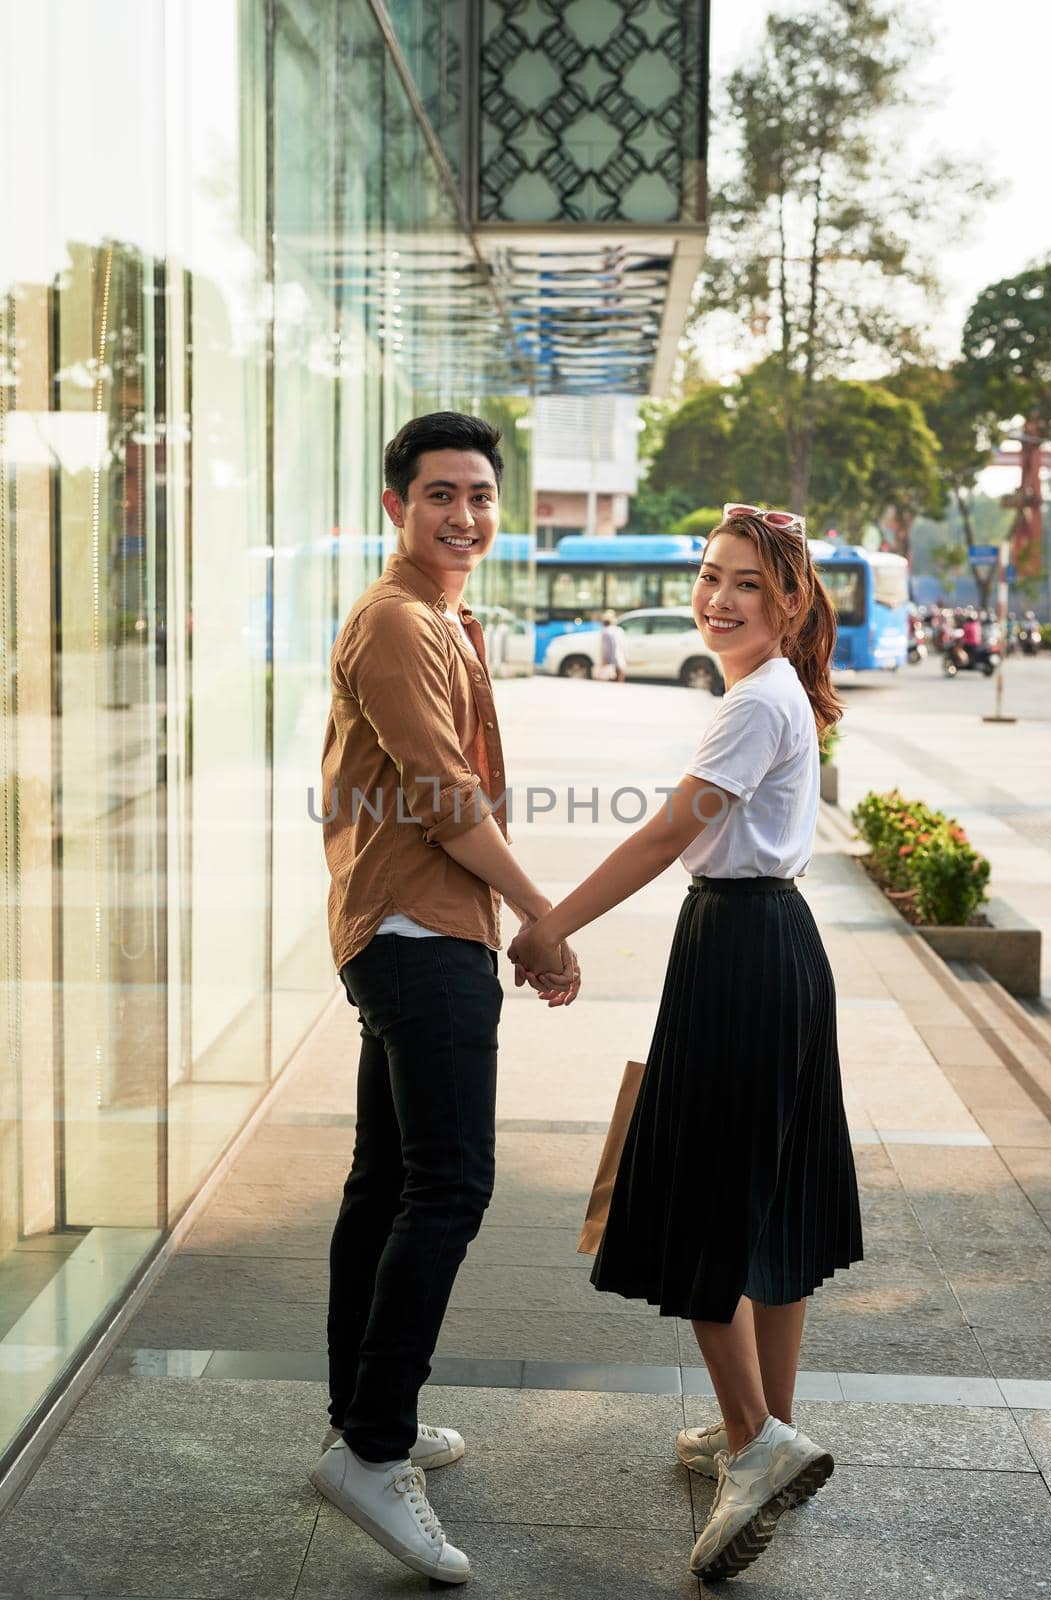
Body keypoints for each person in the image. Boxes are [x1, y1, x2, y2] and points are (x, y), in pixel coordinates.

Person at [510, 503, 863, 1583]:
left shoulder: (755, 703)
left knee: (699, 1196)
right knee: (775, 1197)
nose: (718, 597)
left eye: (746, 582)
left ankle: (756, 1443)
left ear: (790, 600)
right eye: (711, 576)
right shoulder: (775, 694)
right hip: (774, 943)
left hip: (740, 949)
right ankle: (766, 1426)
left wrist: (551, 922)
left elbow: (670, 834)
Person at [313, 411, 579, 1587]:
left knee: (387, 1180)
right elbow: (443, 796)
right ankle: (373, 1449)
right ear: (395, 507)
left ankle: (363, 1413)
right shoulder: (395, 622)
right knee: (451, 1184)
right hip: (420, 935)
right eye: (439, 495)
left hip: (421, 928)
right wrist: (544, 912)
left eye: (479, 494)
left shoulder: (436, 618)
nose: (464, 515)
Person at [599, 609, 626, 682]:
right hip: (620, 658)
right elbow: (623, 645)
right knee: (619, 676)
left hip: (612, 659)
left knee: (609, 679)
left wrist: (604, 660)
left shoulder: (606, 632)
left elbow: (606, 648)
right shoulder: (619, 630)